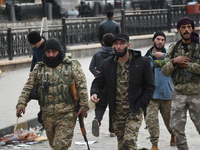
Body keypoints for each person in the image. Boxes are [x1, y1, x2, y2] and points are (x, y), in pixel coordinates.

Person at [16, 38, 89, 150]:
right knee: (54, 145)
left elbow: (82, 86)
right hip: (47, 115)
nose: (51, 55)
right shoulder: (39, 68)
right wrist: (21, 104)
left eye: (53, 52)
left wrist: (84, 106)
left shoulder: (72, 65)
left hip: (67, 114)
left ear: (59, 51)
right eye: (48, 52)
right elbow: (28, 88)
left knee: (60, 146)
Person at [90, 33, 155, 149]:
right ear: (113, 46)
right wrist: (94, 93)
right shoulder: (108, 64)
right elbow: (98, 82)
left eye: (122, 44)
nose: (119, 46)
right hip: (116, 113)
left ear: (128, 45)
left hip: (134, 110)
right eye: (116, 44)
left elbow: (150, 86)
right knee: (122, 146)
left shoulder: (142, 62)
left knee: (129, 142)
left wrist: (141, 105)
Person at [161, 17, 200, 150]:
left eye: (189, 26)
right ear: (178, 30)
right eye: (183, 27)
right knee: (176, 127)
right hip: (179, 93)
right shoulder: (173, 48)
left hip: (197, 92)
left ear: (193, 28)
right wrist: (174, 61)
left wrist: (188, 65)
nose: (186, 30)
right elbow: (164, 71)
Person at [144, 31, 175, 150]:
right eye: (158, 39)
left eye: (163, 39)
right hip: (151, 95)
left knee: (169, 121)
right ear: (153, 40)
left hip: (167, 93)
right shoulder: (146, 57)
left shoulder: (170, 55)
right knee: (151, 121)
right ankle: (154, 144)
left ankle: (173, 135)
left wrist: (162, 56)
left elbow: (174, 64)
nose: (160, 41)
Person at [89, 33, 115, 137]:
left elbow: (91, 67)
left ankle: (98, 120)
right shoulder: (115, 54)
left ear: (103, 42)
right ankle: (112, 130)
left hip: (100, 83)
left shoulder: (97, 53)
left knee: (100, 105)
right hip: (112, 83)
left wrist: (97, 75)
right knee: (113, 107)